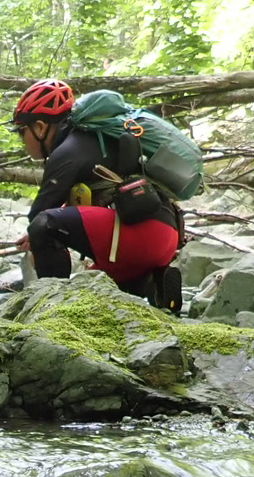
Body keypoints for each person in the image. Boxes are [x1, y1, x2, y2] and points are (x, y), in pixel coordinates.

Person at [10, 79, 183, 311]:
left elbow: (41, 214)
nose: (22, 141)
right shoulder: (95, 141)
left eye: (22, 132)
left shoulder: (69, 149)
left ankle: (52, 308)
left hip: (140, 236)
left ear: (40, 127)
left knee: (44, 225)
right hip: (166, 237)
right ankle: (151, 284)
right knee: (87, 290)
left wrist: (35, 237)